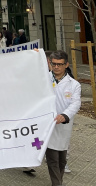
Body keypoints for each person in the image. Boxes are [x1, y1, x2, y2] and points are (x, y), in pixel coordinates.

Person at [45, 50, 81, 186]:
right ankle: (57, 183)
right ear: (50, 64)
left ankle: (58, 181)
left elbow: (76, 103)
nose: (56, 67)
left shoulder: (74, 84)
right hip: (48, 124)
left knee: (62, 159)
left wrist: (65, 115)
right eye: (53, 64)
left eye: (59, 64)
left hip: (64, 125)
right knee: (52, 158)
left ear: (66, 65)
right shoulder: (44, 79)